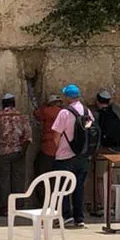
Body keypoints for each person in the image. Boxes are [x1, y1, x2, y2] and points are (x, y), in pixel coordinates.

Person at [51, 85, 93, 228]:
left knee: (62, 187)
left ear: (67, 97)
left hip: (65, 156)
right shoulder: (87, 111)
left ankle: (66, 215)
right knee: (79, 187)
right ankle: (79, 218)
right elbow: (90, 130)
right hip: (82, 156)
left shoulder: (64, 112)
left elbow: (56, 135)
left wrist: (58, 148)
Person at [0, 93, 31, 213]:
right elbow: (28, 136)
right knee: (18, 179)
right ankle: (18, 206)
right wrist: (23, 151)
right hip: (19, 151)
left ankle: (6, 208)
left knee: (4, 180)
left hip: (2, 152)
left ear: (3, 104)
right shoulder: (22, 117)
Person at [33, 93, 63, 177]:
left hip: (48, 146)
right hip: (61, 147)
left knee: (41, 170)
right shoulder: (64, 112)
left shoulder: (47, 111)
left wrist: (43, 106)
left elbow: (36, 113)